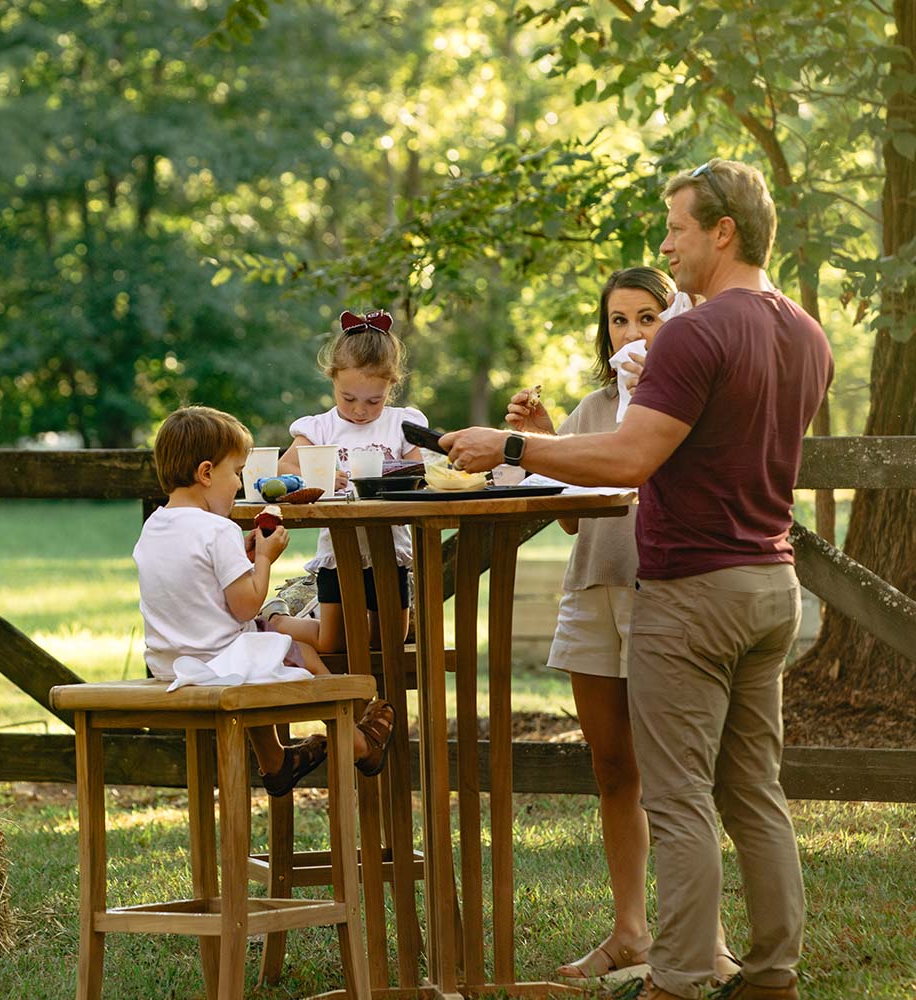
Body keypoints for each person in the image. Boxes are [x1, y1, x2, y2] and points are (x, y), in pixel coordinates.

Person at [441, 159, 834, 1000]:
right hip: (772, 584)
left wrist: (513, 447)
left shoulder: (695, 332)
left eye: (678, 227)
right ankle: (770, 977)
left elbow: (630, 456)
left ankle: (680, 979)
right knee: (753, 792)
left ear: (723, 232)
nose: (666, 243)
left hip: (692, 591)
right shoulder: (807, 332)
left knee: (680, 795)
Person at [506, 267, 738, 986]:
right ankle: (631, 932)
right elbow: (572, 516)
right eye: (618, 320)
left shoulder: (686, 397)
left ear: (677, 321)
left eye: (647, 317)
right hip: (593, 589)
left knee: (679, 775)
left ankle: (708, 939)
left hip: (664, 594)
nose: (631, 333)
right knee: (613, 770)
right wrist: (546, 440)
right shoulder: (595, 405)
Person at [133, 404, 397, 797]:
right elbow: (246, 605)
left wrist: (240, 558)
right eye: (235, 473)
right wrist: (263, 559)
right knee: (297, 650)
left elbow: (198, 582)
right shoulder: (216, 528)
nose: (239, 485)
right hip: (216, 663)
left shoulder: (154, 525)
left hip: (169, 663)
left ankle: (276, 761)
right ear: (206, 473)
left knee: (257, 642)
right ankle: (360, 743)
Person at [268, 309, 427, 652]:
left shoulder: (402, 424)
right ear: (333, 381)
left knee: (390, 638)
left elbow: (420, 473)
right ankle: (274, 620)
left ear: (391, 387)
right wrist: (318, 475)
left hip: (390, 551)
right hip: (339, 552)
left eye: (374, 400)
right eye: (348, 398)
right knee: (333, 642)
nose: (359, 410)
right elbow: (284, 468)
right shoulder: (321, 428)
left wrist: (392, 477)